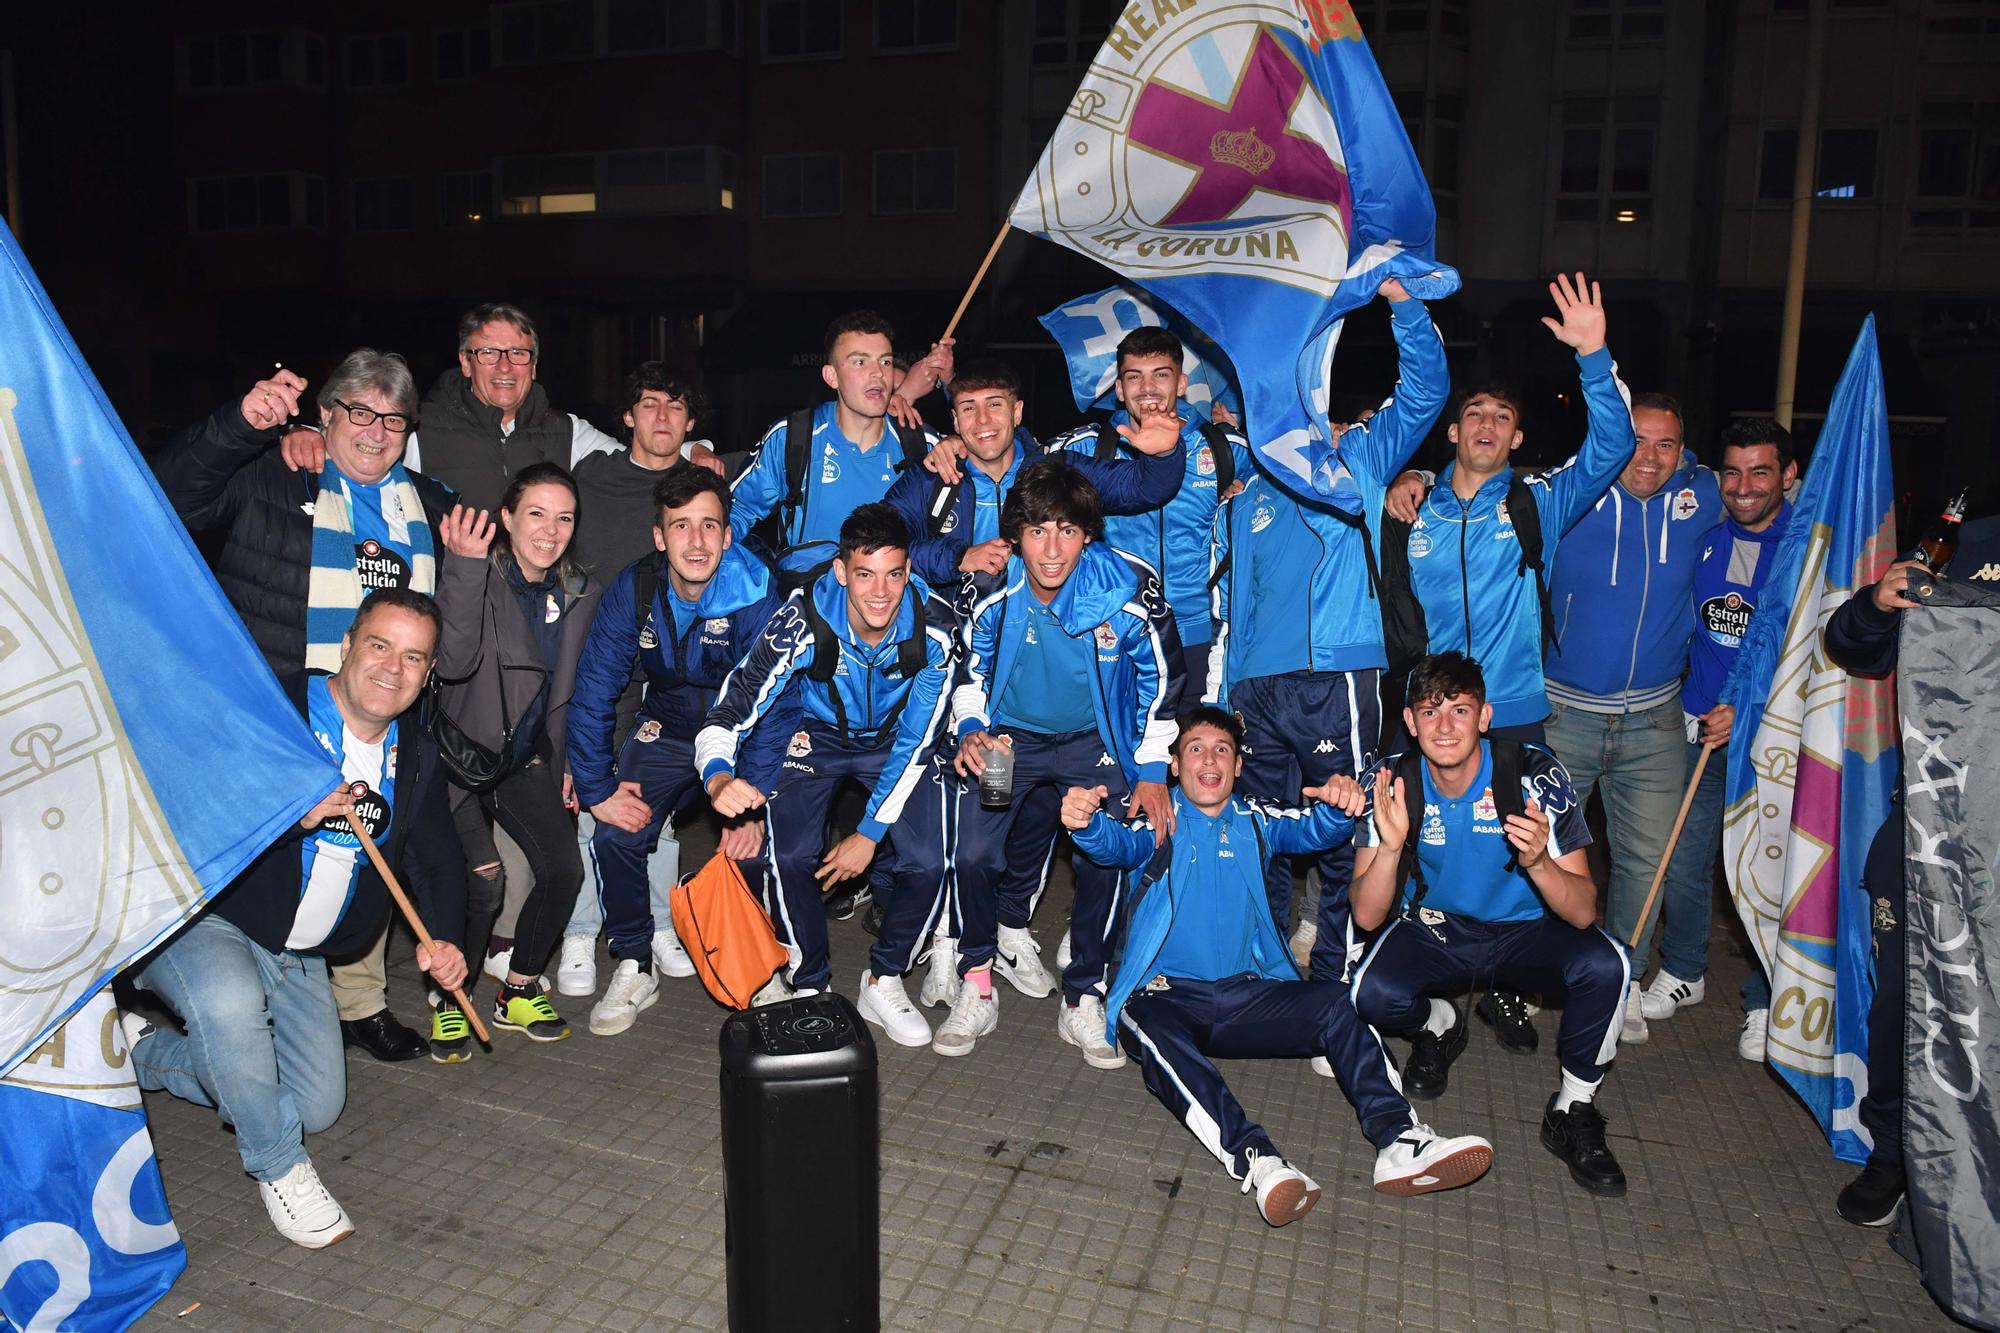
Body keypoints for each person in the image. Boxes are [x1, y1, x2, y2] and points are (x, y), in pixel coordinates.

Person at [124, 590, 468, 1248]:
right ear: (346, 645)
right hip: (212, 915)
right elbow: (184, 803)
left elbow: (438, 861)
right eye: (379, 645)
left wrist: (446, 937)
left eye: (414, 657)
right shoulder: (272, 707)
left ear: (427, 675)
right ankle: (280, 1166)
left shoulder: (416, 751)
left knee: (314, 1106)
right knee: (229, 1006)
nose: (393, 667)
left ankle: (144, 1053)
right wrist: (289, 818)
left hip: (299, 949)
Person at [1061, 707, 1493, 1226]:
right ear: (1174, 765)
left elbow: (1315, 830)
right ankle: (1259, 1162)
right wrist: (1083, 823)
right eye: (1195, 748)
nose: (1209, 760)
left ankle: (1400, 1139)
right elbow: (1113, 844)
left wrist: (1341, 803)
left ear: (1238, 766)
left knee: (1340, 1001)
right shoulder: (1157, 821)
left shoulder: (1257, 820)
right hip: (1162, 998)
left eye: (1222, 750)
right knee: (1155, 1034)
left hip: (1247, 997)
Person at [153, 351, 449, 1064]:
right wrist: (241, 426)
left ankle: (362, 1001)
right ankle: (230, 989)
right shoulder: (279, 475)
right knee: (281, 861)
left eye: (392, 418)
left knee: (365, 838)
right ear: (326, 413)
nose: (375, 431)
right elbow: (167, 496)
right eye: (358, 412)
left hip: (379, 709)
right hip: (277, 709)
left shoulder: (429, 503)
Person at [1364, 274, 1634, 1052]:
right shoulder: (1409, 503)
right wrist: (1405, 480)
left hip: (1511, 708)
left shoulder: (1536, 500)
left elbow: (1611, 446)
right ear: (1452, 431)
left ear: (1517, 438)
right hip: (1428, 714)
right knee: (1425, 842)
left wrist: (1593, 354)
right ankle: (1430, 993)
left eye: (1502, 417)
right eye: (1473, 413)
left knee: (1522, 845)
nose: (1486, 425)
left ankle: (1515, 980)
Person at [888, 358, 1184, 999]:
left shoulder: (1059, 473)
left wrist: (1164, 455)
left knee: (1067, 828)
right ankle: (959, 949)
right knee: (970, 833)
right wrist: (955, 556)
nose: (983, 420)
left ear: (1019, 411)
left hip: (1083, 734)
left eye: (996, 404)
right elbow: (881, 544)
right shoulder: (938, 473)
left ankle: (1028, 937)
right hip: (980, 698)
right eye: (967, 408)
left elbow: (1140, 485)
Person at [1210, 277, 1447, 991]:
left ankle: (1339, 979)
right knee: (1265, 829)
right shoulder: (1245, 484)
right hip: (1255, 687)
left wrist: (1403, 302)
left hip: (1335, 679)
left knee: (1347, 826)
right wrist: (1226, 691)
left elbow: (1425, 390)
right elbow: (1235, 599)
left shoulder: (1358, 457)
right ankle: (1272, 960)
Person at [1348, 653, 1632, 1196]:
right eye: (1430, 713)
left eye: (1460, 710)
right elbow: (1365, 914)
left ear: (1485, 717)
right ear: (1410, 723)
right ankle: (1439, 1024)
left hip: (1527, 928)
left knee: (1608, 963)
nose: (1446, 726)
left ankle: (1573, 1107)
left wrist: (1538, 864)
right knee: (1368, 993)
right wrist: (1389, 848)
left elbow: (1581, 909)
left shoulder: (1534, 773)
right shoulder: (1388, 780)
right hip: (1439, 926)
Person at [949, 459, 1184, 1066]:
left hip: (1092, 743)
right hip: (1009, 744)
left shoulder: (1126, 590)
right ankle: (976, 979)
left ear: (1088, 534)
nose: (1052, 549)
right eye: (1036, 531)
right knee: (975, 851)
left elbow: (1163, 680)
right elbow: (967, 670)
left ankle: (1084, 993)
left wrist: (1154, 772)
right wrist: (973, 729)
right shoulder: (992, 590)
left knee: (1104, 853)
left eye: (1068, 531)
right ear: (1016, 535)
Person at [698, 503, 957, 1045]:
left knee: (932, 858)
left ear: (909, 570)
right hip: (815, 738)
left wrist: (868, 834)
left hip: (893, 740)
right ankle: (809, 982)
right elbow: (732, 706)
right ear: (841, 572)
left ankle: (884, 976)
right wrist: (719, 774)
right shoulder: (801, 620)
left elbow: (917, 742)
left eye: (893, 573)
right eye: (864, 574)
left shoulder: (935, 629)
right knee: (788, 853)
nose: (880, 592)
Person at [1817, 496, 2000, 1226]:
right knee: (1905, 999)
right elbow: (1853, 645)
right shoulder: (1969, 543)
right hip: (1928, 829)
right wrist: (1876, 603)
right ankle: (1895, 1150)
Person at [568, 466, 786, 1036]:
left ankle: (765, 964)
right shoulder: (636, 587)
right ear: (659, 536)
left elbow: (781, 702)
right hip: (665, 726)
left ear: (727, 534)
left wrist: (756, 800)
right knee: (616, 831)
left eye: (709, 525)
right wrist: (596, 789)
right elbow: (594, 688)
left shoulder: (759, 591)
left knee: (762, 841)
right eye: (681, 527)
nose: (696, 541)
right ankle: (636, 961)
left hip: (743, 733)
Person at [1536, 392, 1725, 1048]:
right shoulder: (1569, 493)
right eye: (1636, 440)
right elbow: (1489, 482)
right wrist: (1420, 476)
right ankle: (1536, 973)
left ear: (1683, 450)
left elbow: (1777, 518)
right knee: (1545, 852)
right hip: (1564, 712)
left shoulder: (1703, 495)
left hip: (1655, 719)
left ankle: (1620, 978)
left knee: (1647, 861)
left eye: (1665, 444)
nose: (1649, 457)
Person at [556, 361, 715, 996]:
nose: (661, 418)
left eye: (675, 408)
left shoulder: (701, 484)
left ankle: (658, 923)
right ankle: (579, 929)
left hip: (671, 674)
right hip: (603, 658)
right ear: (627, 416)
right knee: (590, 795)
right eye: (649, 405)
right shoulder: (593, 475)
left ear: (692, 423)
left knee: (658, 807)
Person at [433, 463, 600, 1050]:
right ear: (506, 518)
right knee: (484, 883)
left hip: (523, 758)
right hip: (455, 759)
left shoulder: (578, 593)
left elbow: (575, 688)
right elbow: (451, 664)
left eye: (564, 518)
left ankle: (519, 989)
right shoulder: (476, 572)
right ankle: (450, 996)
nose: (550, 530)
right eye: (536, 513)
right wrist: (463, 567)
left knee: (564, 871)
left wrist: (575, 763)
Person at [1645, 420, 1796, 1056]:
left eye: (1760, 471)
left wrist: (1752, 708)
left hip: (1773, 739)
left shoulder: (1810, 553)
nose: (1744, 486)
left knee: (1766, 869)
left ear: (1789, 476)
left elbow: (1809, 653)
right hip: (1698, 727)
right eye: (1733, 472)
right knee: (1684, 857)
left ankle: (1767, 1000)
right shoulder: (1708, 534)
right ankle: (1684, 971)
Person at [1049, 328, 1252, 698]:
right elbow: (1015, 466)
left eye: (1161, 374)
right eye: (1134, 377)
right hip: (1115, 632)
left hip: (1198, 635)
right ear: (1119, 390)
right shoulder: (1089, 449)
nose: (1148, 388)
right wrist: (956, 444)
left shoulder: (1226, 450)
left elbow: (1292, 484)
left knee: (1197, 752)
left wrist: (1245, 497)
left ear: (1181, 384)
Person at [728, 310, 942, 551]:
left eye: (886, 361)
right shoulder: (792, 438)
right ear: (831, 376)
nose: (878, 373)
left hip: (891, 587)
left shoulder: (922, 444)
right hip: (809, 587)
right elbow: (737, 513)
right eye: (860, 362)